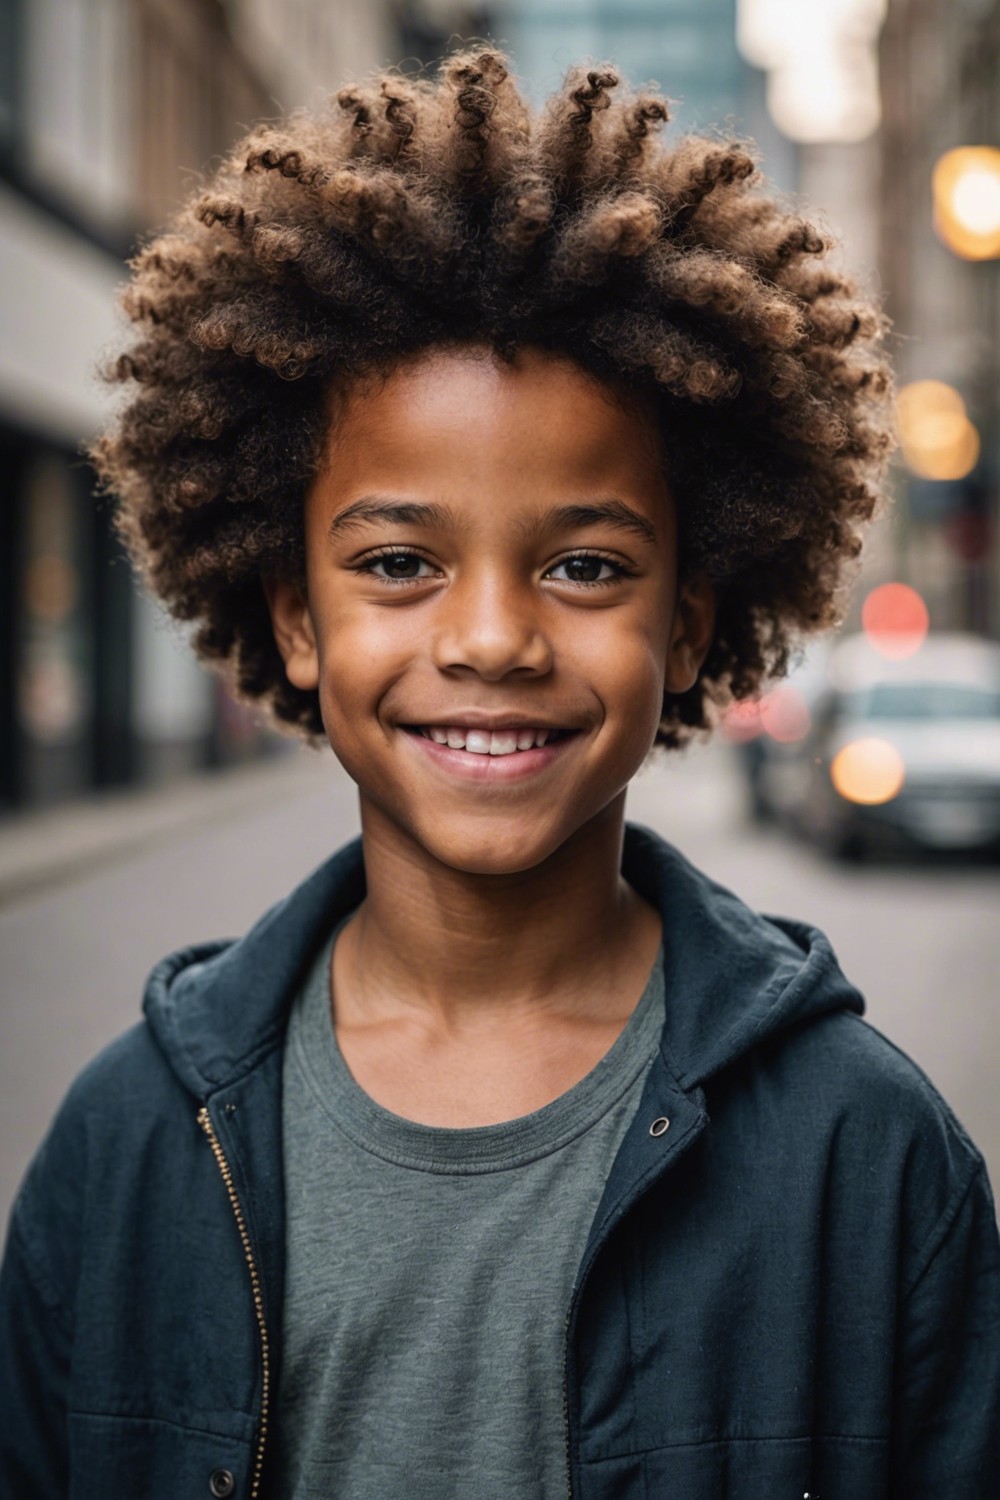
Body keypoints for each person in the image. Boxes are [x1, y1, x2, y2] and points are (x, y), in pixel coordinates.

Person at [1, 47, 997, 1500]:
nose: (489, 638)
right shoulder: (130, 1145)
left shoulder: (869, 1154)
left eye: (584, 566)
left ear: (688, 621)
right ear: (293, 615)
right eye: (399, 564)